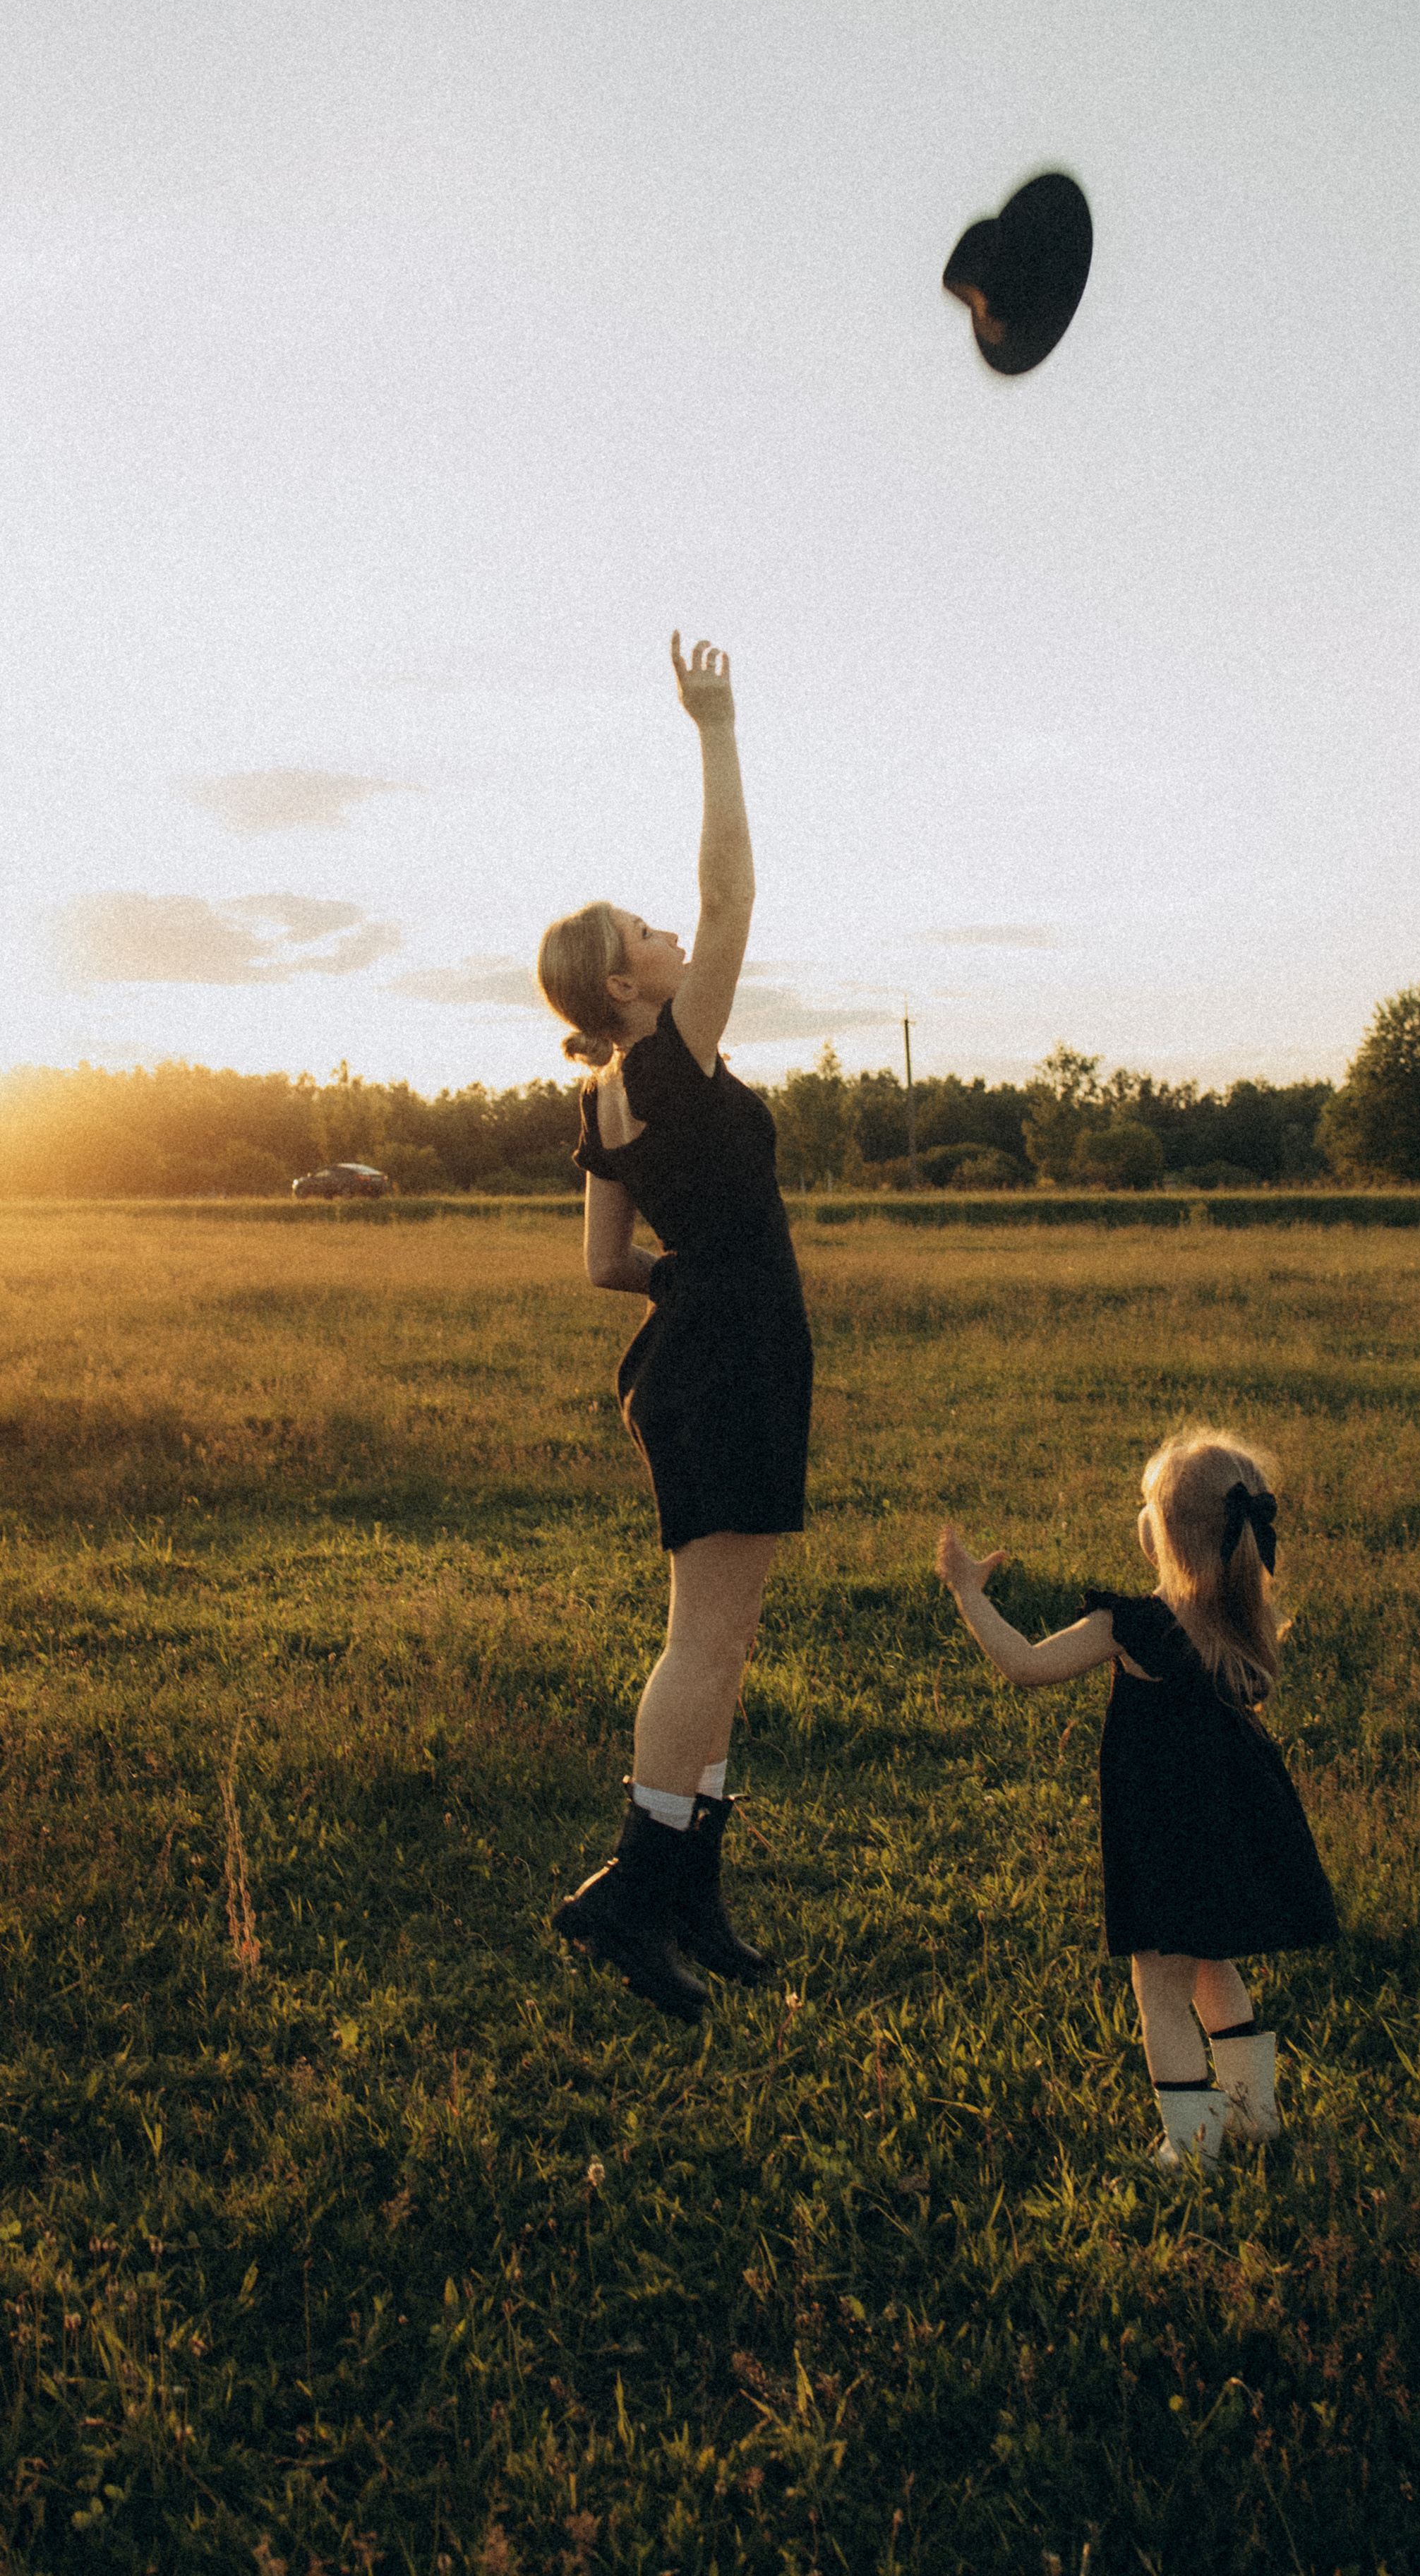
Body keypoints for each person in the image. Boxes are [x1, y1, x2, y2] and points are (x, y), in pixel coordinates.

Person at [536, 633, 812, 2024]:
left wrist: (689, 1282)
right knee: (705, 1639)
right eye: (646, 934)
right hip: (730, 1355)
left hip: (696, 1350)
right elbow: (733, 890)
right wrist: (716, 725)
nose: (673, 935)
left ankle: (690, 1892)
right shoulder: (666, 1060)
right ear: (624, 988)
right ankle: (631, 1900)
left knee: (718, 1633)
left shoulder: (605, 1101)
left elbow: (605, 1266)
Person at [935, 1425, 1337, 2169]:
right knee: (1212, 1963)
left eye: (1148, 1506)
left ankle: (1192, 2149)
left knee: (1160, 1992)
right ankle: (1255, 2114)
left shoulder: (1136, 1626)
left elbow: (1026, 1665)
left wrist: (968, 1594)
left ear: (1163, 1537)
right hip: (1231, 1829)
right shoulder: (1238, 1621)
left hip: (1163, 1834)